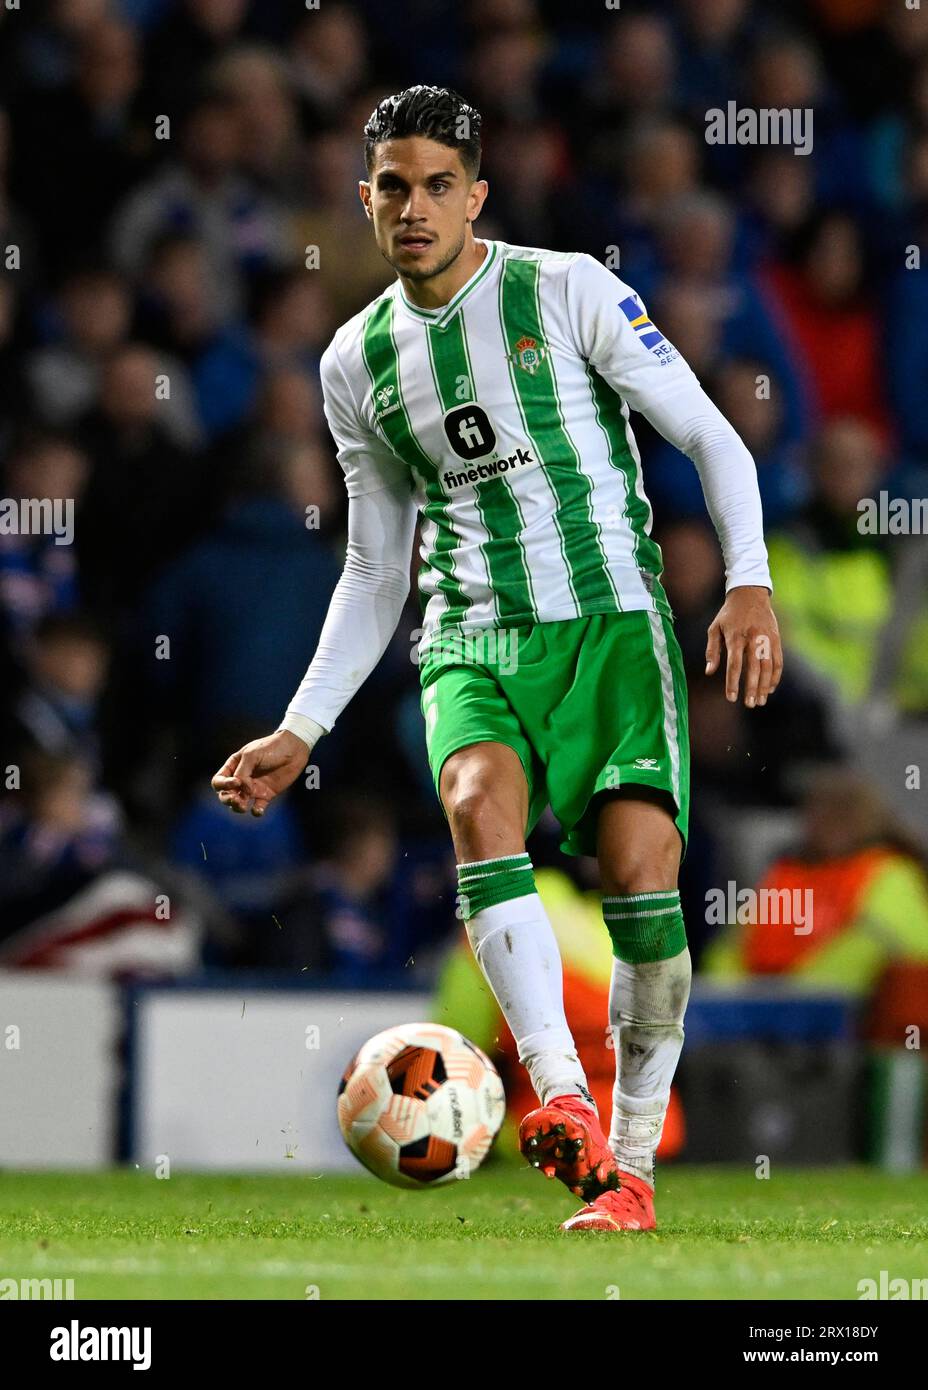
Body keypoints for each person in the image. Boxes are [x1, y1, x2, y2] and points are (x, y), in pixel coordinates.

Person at [211, 86, 782, 1234]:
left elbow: (709, 432)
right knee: (477, 802)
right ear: (364, 197)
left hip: (614, 625)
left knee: (639, 878)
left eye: (434, 186)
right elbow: (375, 572)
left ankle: (628, 1172)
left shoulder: (564, 287)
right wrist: (301, 727)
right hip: (470, 632)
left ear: (475, 194)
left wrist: (750, 578)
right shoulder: (353, 359)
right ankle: (560, 1096)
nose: (411, 207)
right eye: (390, 186)